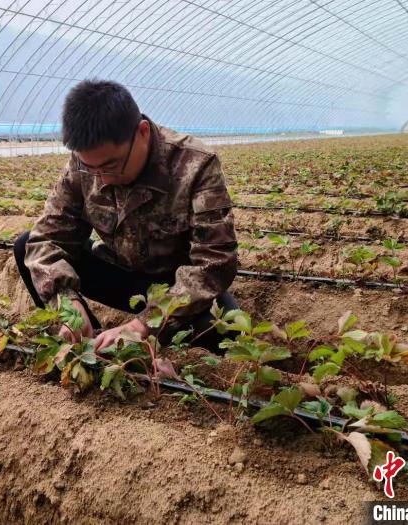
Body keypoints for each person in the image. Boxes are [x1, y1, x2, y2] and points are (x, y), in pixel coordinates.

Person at [13, 79, 239, 353]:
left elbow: (215, 261)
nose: (103, 177)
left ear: (142, 132)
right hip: (120, 275)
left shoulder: (196, 164)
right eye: (91, 168)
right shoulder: (83, 167)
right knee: (25, 245)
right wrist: (66, 302)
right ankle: (89, 346)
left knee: (226, 334)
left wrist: (141, 326)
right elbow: (46, 240)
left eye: (112, 165)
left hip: (174, 286)